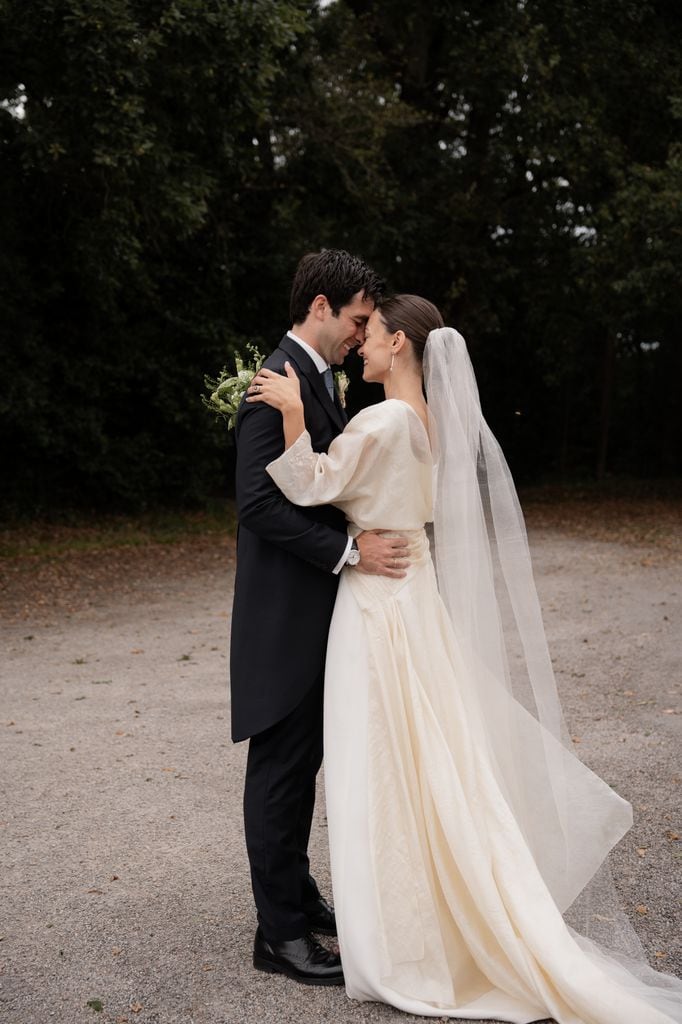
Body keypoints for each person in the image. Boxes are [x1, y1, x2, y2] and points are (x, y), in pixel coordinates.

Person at [246, 294, 682, 1022]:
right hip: (412, 589)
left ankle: (398, 928)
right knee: (429, 751)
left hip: (377, 602)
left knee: (383, 760)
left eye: (375, 335)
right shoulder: (433, 424)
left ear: (403, 348)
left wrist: (292, 410)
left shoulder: (382, 419)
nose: (364, 346)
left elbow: (312, 482)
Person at [230, 250, 411, 987]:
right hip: (283, 613)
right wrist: (348, 551)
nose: (360, 335)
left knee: (300, 766)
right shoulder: (276, 384)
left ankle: (296, 898)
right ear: (321, 308)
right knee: (279, 770)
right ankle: (278, 938)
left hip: (313, 611)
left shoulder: (313, 379)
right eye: (358, 320)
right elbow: (259, 504)